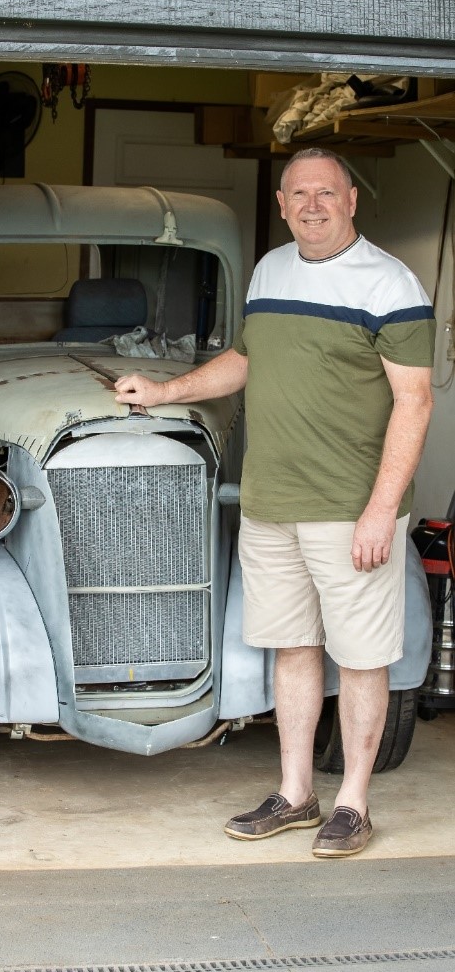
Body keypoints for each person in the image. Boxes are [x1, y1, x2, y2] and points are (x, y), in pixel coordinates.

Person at [114, 147, 435, 858]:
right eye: (298, 194)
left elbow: (414, 400)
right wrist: (165, 393)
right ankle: (295, 792)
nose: (311, 205)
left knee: (359, 658)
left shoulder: (389, 283)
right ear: (283, 203)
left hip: (350, 506)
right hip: (270, 502)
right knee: (293, 649)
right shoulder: (269, 269)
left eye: (326, 193)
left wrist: (381, 510)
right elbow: (246, 359)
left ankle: (351, 801)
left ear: (352, 200)